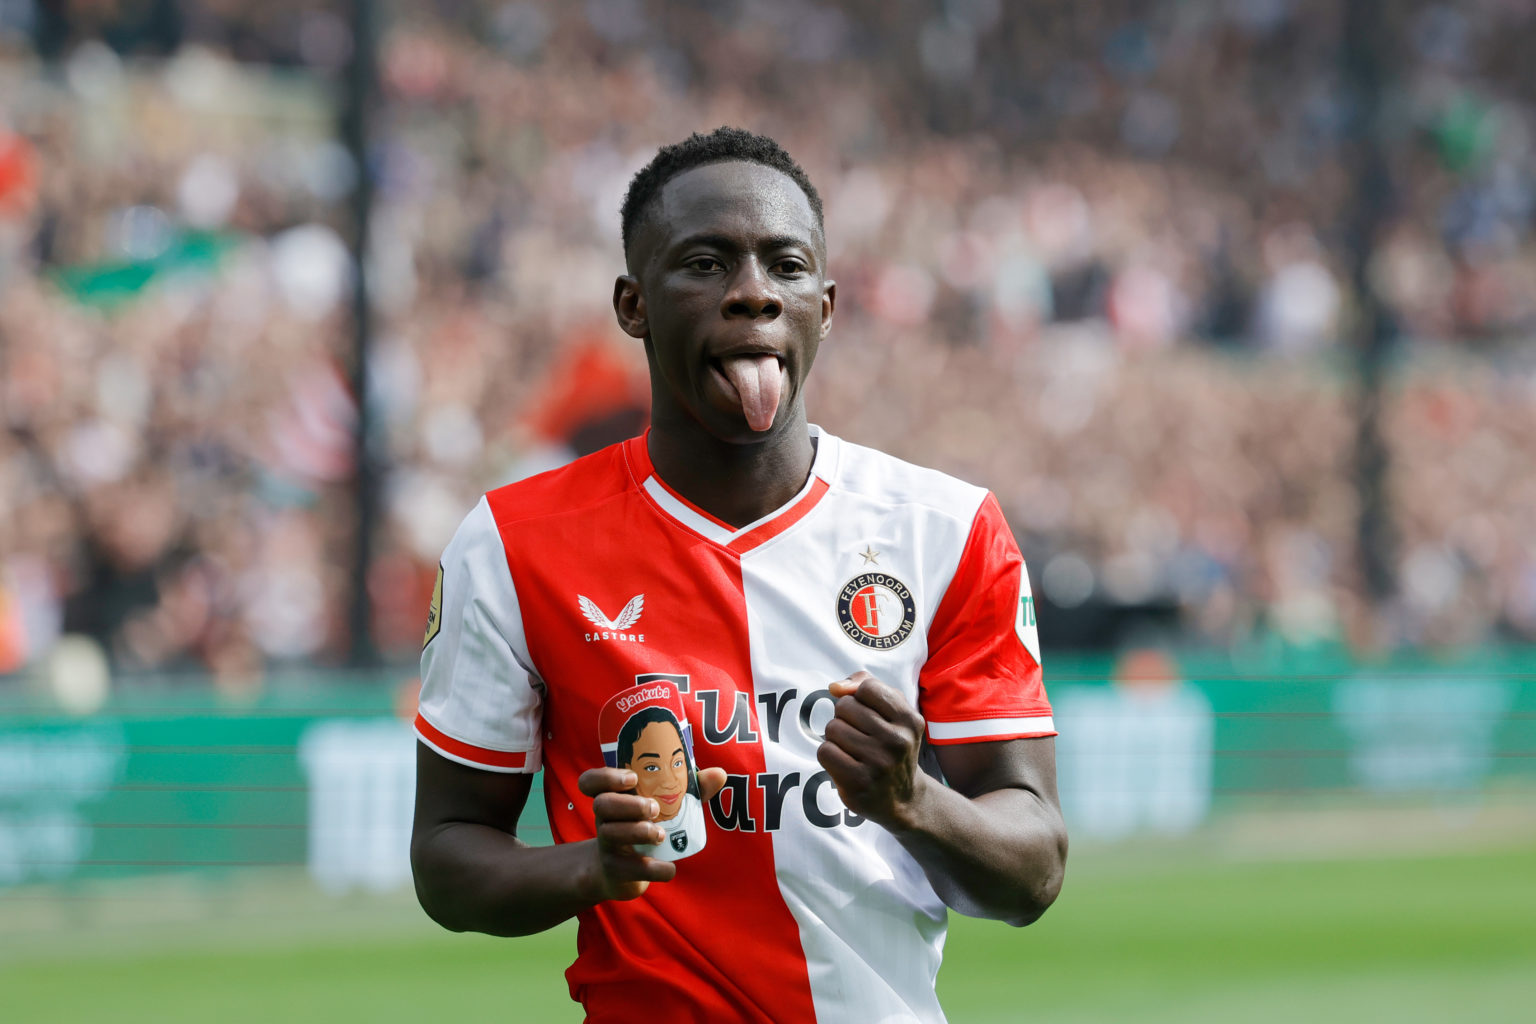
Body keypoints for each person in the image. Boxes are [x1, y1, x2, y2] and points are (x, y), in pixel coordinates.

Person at [410, 126, 1067, 1024]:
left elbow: (1032, 870)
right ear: (633, 305)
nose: (752, 293)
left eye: (785, 266)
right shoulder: (513, 544)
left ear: (826, 307)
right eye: (707, 264)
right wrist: (590, 870)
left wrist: (914, 802)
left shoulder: (945, 532)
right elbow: (446, 856)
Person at [614, 705, 706, 859]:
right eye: (651, 767)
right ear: (627, 769)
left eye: (677, 763)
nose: (669, 782)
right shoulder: (627, 822)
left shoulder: (693, 809)